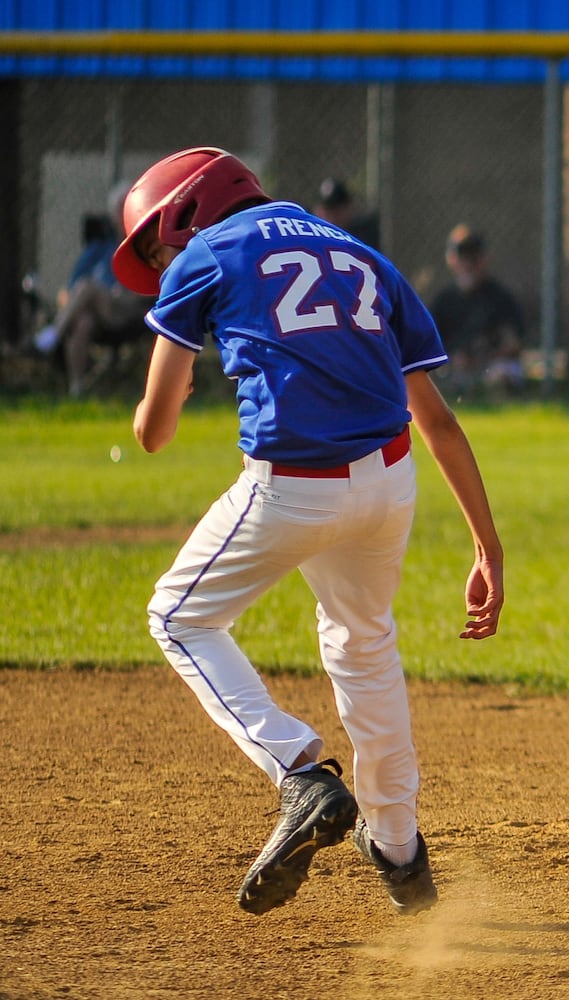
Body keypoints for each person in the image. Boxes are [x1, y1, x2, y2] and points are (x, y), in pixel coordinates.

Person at [111, 147, 505, 917]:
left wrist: (180, 369)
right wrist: (487, 548)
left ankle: (300, 772)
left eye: (158, 246)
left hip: (291, 488)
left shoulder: (209, 253)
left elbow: (153, 432)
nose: (163, 265)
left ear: (187, 212)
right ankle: (399, 851)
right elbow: (439, 420)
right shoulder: (362, 254)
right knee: (364, 644)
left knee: (178, 615)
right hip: (389, 483)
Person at [39, 182, 156, 396]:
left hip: (131, 312)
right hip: (100, 310)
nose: (123, 215)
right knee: (83, 321)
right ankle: (77, 389)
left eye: (127, 208)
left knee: (88, 288)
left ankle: (54, 335)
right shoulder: (99, 249)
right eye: (119, 210)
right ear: (113, 216)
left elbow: (152, 289)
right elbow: (71, 286)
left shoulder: (144, 247)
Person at [427, 224, 527, 398]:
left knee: (502, 374)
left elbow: (514, 345)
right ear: (451, 259)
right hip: (453, 369)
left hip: (489, 365)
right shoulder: (444, 300)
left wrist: (481, 359)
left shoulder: (500, 297)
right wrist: (454, 358)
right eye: (462, 257)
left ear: (484, 258)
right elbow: (428, 344)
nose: (468, 264)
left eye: (473, 258)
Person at [312, 176, 382, 249]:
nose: (332, 215)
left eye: (337, 209)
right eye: (327, 210)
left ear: (349, 207)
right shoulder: (313, 235)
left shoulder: (366, 234)